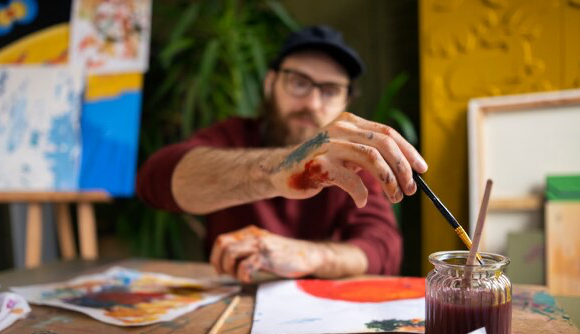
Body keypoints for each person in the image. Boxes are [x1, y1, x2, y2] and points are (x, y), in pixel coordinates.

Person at [137, 25, 427, 283]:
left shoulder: (351, 159)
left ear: (346, 101)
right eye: (299, 82)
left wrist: (309, 255)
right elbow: (154, 179)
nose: (312, 103)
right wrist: (277, 169)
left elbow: (382, 247)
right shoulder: (232, 136)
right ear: (270, 83)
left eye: (330, 90)